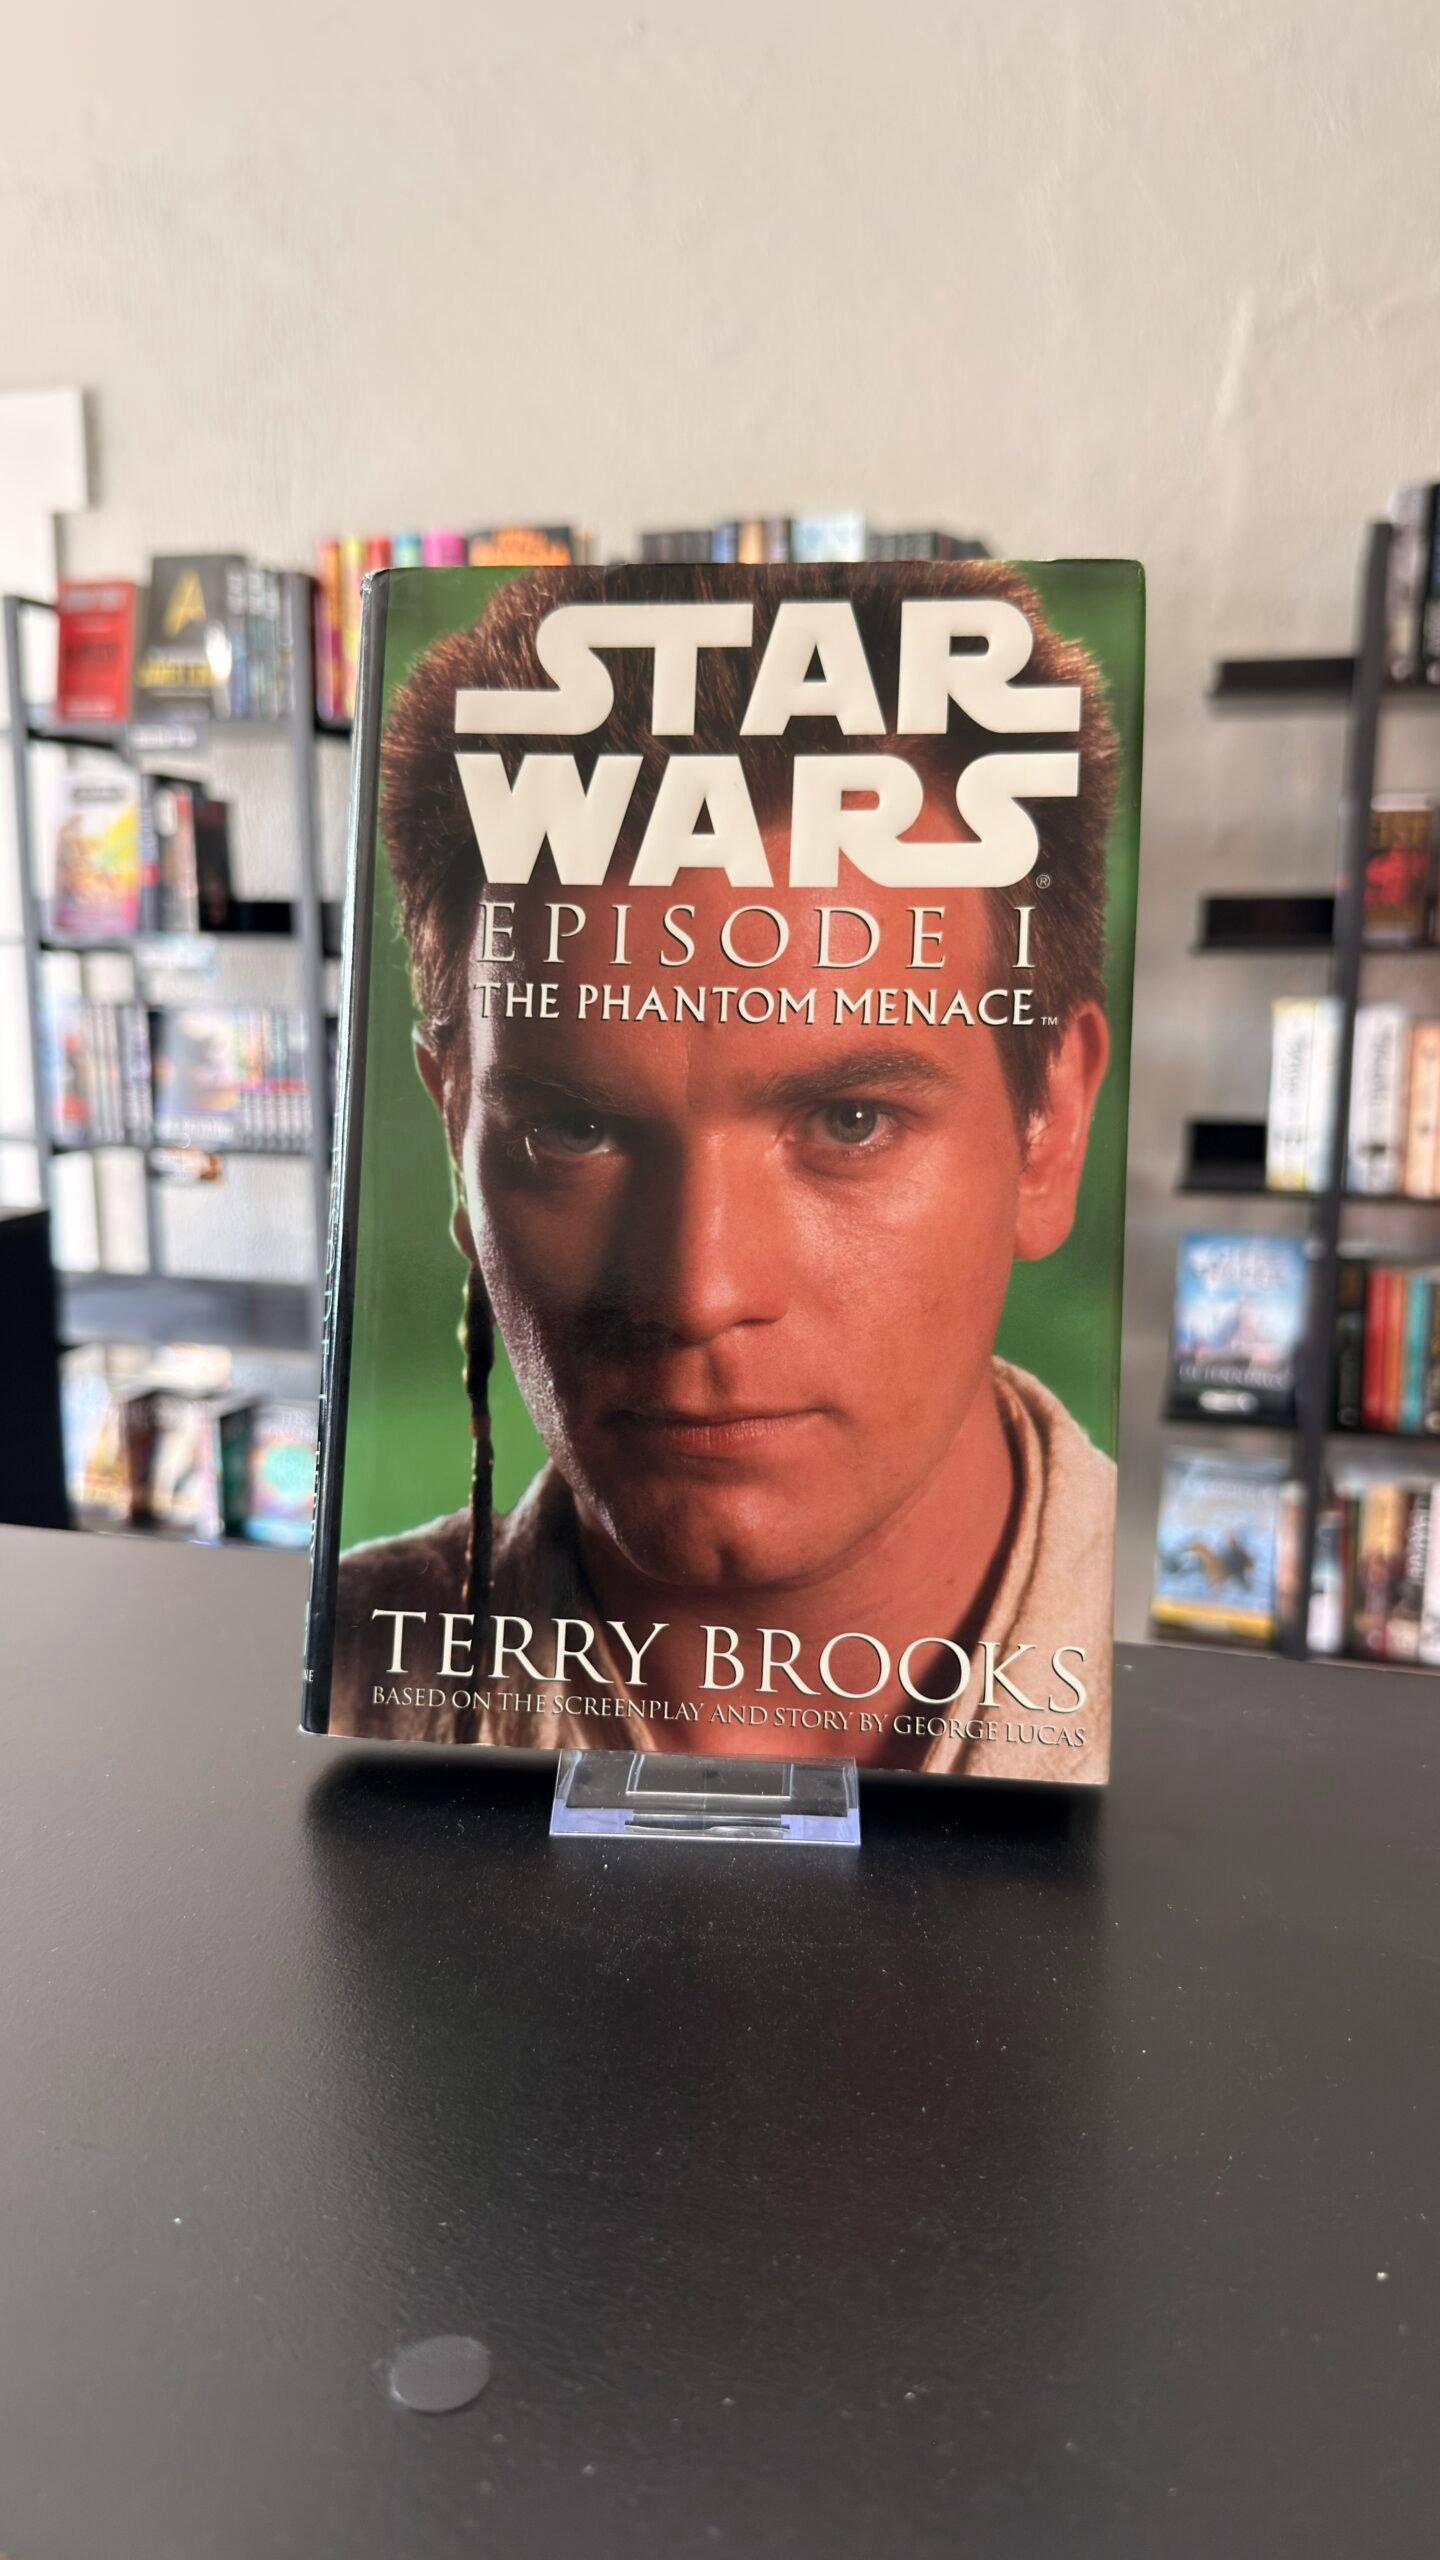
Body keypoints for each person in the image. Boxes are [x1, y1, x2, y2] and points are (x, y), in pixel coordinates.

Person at [331, 561, 1121, 1778]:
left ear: (1049, 1126)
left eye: (851, 1122)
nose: (698, 1294)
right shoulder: (342, 1684)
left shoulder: (1232, 1702)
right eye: (572, 1133)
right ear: (455, 1131)